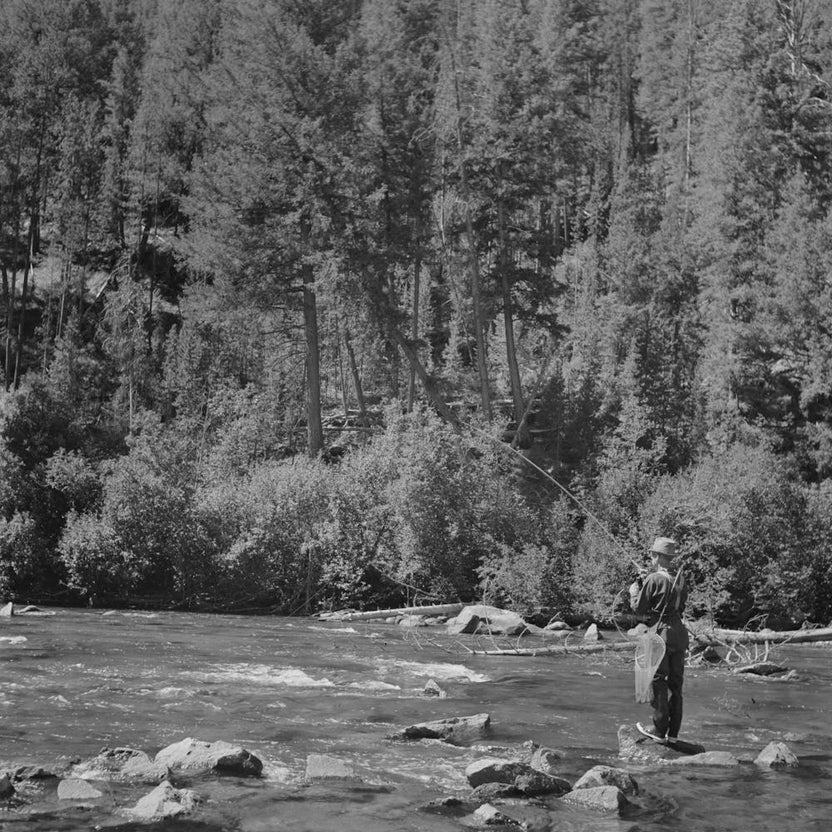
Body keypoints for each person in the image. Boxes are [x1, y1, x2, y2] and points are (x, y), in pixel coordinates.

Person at [628, 536, 689, 744]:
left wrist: (634, 591)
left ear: (659, 557)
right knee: (676, 683)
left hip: (661, 633)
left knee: (657, 679)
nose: (651, 559)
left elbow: (640, 610)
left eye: (653, 555)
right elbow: (680, 607)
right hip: (679, 634)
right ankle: (674, 733)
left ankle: (659, 730)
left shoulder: (654, 579)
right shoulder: (680, 579)